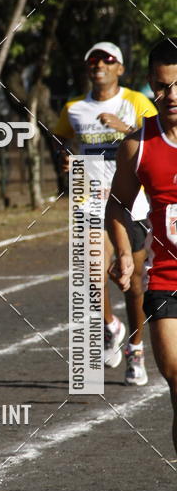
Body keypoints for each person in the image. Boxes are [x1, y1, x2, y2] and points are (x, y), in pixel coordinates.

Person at [55, 41, 157, 385]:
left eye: (107, 59)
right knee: (92, 270)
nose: (99, 64)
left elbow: (156, 139)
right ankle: (110, 326)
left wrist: (124, 128)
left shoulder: (136, 102)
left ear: (119, 68)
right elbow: (62, 141)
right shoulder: (74, 109)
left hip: (132, 201)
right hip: (90, 200)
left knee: (134, 284)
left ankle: (135, 350)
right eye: (93, 59)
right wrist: (66, 159)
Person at [106, 36, 177, 456]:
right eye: (161, 86)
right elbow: (117, 205)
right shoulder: (138, 144)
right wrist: (124, 258)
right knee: (175, 376)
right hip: (167, 277)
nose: (169, 96)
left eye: (176, 85)